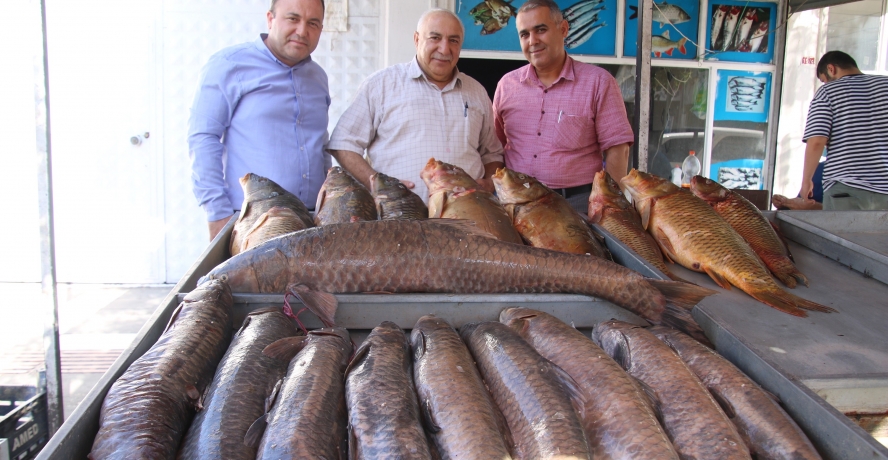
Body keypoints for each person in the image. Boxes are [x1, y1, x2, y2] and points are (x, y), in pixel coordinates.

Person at [327, 8, 504, 202]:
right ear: (417, 39)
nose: (444, 49)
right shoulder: (381, 85)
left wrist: (489, 182)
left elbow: (491, 153)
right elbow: (343, 144)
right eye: (435, 38)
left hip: (467, 215)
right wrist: (374, 183)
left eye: (453, 40)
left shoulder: (476, 91)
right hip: (400, 215)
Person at [189, 0, 331, 240]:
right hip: (255, 222)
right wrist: (218, 214)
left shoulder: (318, 77)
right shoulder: (230, 65)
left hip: (312, 221)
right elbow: (203, 138)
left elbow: (320, 145)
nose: (302, 31)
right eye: (293, 19)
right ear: (270, 19)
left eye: (313, 23)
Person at [492, 0, 634, 214]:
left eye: (541, 30)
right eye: (524, 34)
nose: (533, 41)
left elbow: (618, 149)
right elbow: (496, 146)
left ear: (563, 29)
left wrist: (610, 207)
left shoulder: (598, 82)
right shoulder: (507, 85)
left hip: (576, 206)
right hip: (517, 205)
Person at [800, 50, 888, 211]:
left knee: (840, 236)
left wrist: (806, 181)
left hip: (847, 189)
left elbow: (817, 141)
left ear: (831, 69)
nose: (825, 84)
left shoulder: (828, 91)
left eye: (824, 80)